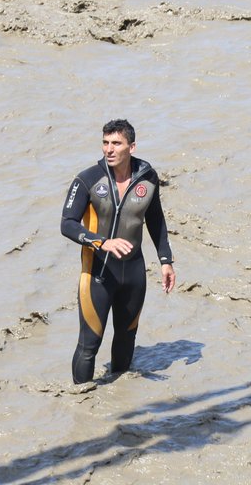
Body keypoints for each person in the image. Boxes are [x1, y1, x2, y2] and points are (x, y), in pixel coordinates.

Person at [60, 119, 176, 384]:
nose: (108, 149)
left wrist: (166, 261)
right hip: (98, 273)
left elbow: (156, 220)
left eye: (116, 143)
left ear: (131, 147)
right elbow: (67, 224)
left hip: (134, 273)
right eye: (105, 142)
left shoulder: (148, 177)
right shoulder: (87, 179)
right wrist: (102, 242)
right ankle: (81, 401)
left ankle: (121, 394)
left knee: (126, 338)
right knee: (89, 344)